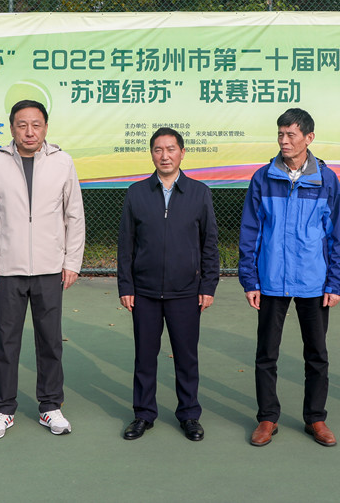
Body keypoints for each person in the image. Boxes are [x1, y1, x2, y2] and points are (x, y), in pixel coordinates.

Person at [238, 108, 340, 447]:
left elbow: (339, 235)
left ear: (309, 138)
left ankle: (316, 418)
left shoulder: (327, 180)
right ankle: (267, 418)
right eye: (280, 134)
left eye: (291, 135)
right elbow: (250, 231)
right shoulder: (263, 178)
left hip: (314, 282)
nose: (284, 141)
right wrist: (250, 280)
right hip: (271, 279)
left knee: (316, 355)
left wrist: (335, 282)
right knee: (266, 354)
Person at [0, 99, 85, 439]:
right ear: (12, 128)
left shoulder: (63, 162)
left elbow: (74, 215)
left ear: (46, 127)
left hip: (51, 268)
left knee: (50, 341)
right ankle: (3, 409)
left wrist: (71, 262)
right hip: (8, 268)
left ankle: (50, 406)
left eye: (36, 124)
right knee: (6, 342)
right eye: (22, 125)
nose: (29, 131)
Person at [117, 127, 219, 442]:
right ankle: (143, 414)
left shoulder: (199, 193)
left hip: (186, 292)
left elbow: (209, 243)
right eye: (158, 149)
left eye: (171, 149)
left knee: (186, 358)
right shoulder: (136, 193)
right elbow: (126, 244)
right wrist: (126, 286)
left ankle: (189, 415)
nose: (165, 156)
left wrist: (208, 285)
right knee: (144, 358)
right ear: (152, 154)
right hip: (144, 293)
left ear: (182, 153)